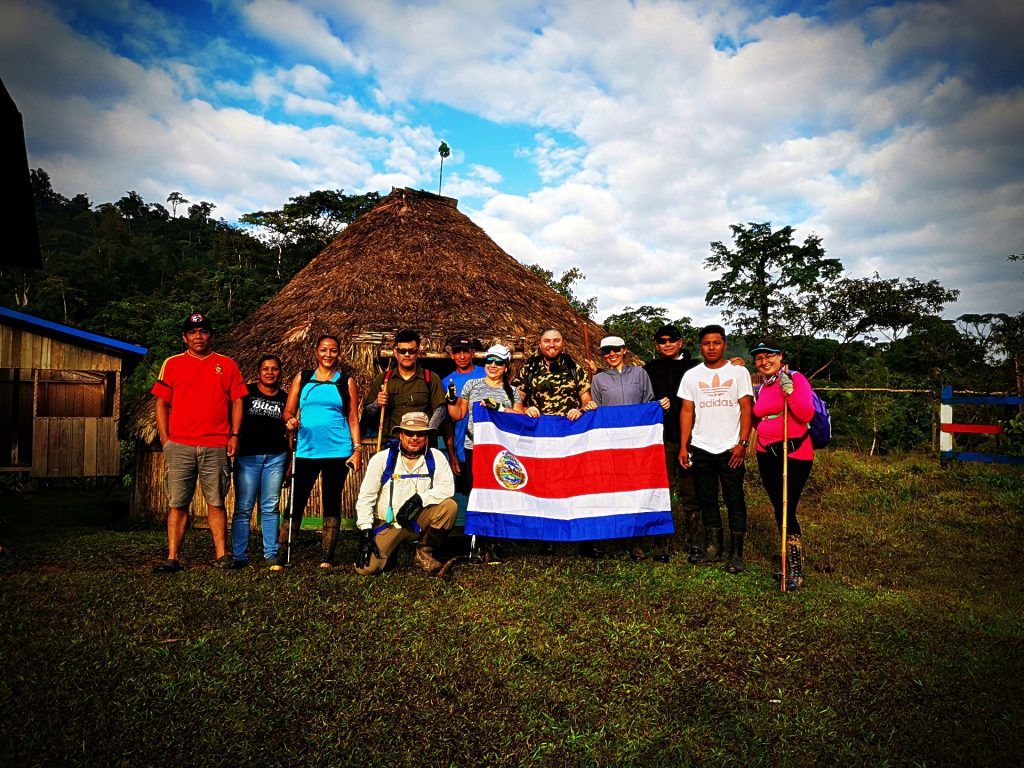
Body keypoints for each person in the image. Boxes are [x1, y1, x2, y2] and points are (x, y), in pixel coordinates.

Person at [151, 312, 248, 573]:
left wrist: (234, 435)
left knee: (216, 501)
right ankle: (173, 557)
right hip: (180, 443)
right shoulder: (171, 364)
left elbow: (238, 400)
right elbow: (161, 402)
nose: (198, 336)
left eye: (203, 331)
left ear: (210, 335)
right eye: (193, 332)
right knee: (177, 502)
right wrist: (165, 437)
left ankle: (222, 555)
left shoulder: (226, 364)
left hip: (215, 443)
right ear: (185, 337)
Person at [281, 335, 362, 569]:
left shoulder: (346, 381)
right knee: (296, 500)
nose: (328, 355)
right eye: (324, 350)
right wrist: (290, 421)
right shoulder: (303, 378)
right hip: (306, 450)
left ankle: (327, 556)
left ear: (339, 353)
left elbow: (353, 418)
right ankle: (283, 553)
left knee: (331, 499)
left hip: (337, 450)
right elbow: (288, 410)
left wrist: (356, 450)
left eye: (333, 351)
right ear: (316, 351)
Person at [678, 324, 753, 574]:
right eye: (706, 343)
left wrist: (743, 443)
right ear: (700, 346)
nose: (711, 347)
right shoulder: (692, 375)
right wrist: (683, 445)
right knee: (707, 497)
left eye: (716, 343)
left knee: (734, 499)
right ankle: (713, 547)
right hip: (701, 446)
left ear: (725, 345)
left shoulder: (738, 372)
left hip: (731, 447)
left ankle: (736, 552)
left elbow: (746, 408)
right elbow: (687, 411)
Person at [353, 412, 457, 576]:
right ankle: (392, 551)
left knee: (449, 507)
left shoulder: (436, 457)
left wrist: (418, 500)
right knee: (366, 569)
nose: (415, 438)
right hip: (389, 523)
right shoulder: (382, 459)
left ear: (427, 436)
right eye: (409, 433)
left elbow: (447, 488)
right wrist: (365, 534)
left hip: (417, 520)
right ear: (401, 435)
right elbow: (366, 498)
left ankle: (423, 552)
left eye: (420, 433)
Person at [447, 344, 524, 563]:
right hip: (476, 448)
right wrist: (451, 400)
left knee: (500, 493)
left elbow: (519, 417)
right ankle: (475, 541)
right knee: (477, 493)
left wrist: (497, 407)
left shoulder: (513, 391)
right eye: (489, 361)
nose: (493, 365)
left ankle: (495, 542)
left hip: (502, 450)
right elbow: (458, 414)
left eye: (499, 362)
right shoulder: (472, 385)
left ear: (506, 366)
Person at [750, 338, 815, 591]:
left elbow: (806, 414)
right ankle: (787, 561)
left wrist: (788, 391)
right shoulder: (763, 386)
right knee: (779, 505)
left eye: (769, 356)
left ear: (780, 357)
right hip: (766, 453)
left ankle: (795, 569)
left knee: (787, 507)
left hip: (795, 453)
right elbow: (758, 417)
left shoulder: (795, 378)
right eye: (759, 358)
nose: (764, 361)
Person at [587, 335, 656, 560]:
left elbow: (648, 403)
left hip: (637, 442)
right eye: (606, 351)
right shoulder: (598, 379)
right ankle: (617, 540)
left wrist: (659, 407)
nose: (612, 354)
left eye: (615, 349)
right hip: (612, 443)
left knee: (636, 488)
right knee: (615, 489)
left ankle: (636, 541)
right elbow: (596, 410)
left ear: (624, 350)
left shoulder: (640, 373)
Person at [230, 354, 289, 568]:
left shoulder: (285, 397)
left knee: (270, 506)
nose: (270, 372)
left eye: (274, 369)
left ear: (280, 372)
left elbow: (290, 429)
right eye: (265, 369)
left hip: (276, 456)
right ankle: (239, 555)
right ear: (258, 372)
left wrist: (289, 460)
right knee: (244, 507)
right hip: (248, 457)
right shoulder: (246, 393)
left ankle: (270, 553)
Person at [363, 329, 446, 438]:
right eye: (402, 351)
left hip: (420, 442)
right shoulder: (383, 379)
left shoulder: (431, 378)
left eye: (412, 351)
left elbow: (440, 410)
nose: (407, 354)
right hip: (391, 442)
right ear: (395, 353)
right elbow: (367, 415)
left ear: (418, 352)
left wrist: (426, 435)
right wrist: (376, 404)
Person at [516, 328, 592, 421]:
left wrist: (579, 411)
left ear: (563, 344)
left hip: (569, 428)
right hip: (537, 427)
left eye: (556, 341)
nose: (552, 345)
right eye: (546, 341)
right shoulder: (529, 369)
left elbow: (587, 400)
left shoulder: (574, 369)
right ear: (540, 345)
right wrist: (526, 409)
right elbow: (516, 399)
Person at [440, 333, 485, 492]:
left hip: (487, 447)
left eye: (466, 351)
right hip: (462, 450)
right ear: (451, 355)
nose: (462, 356)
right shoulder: (446, 383)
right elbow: (448, 422)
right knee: (468, 496)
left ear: (472, 353)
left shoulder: (487, 374)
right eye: (458, 352)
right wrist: (452, 455)